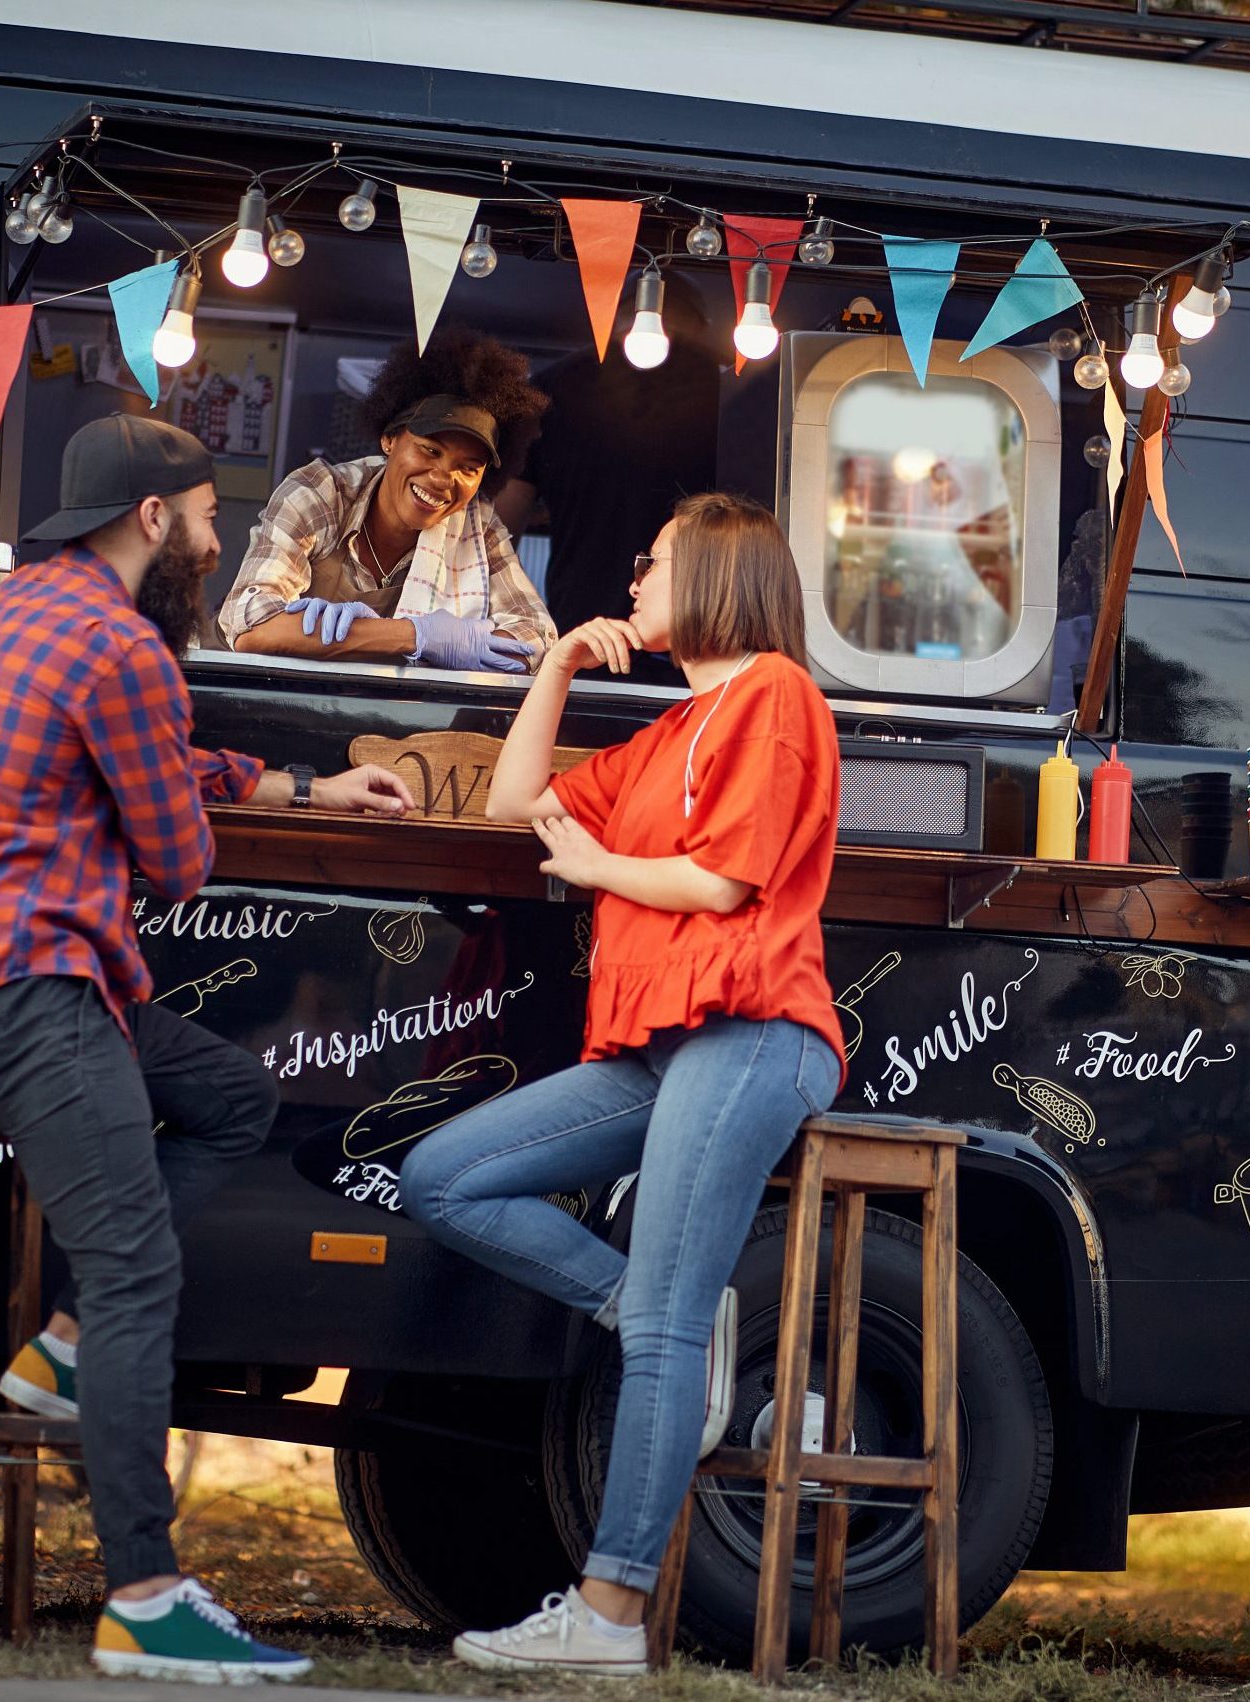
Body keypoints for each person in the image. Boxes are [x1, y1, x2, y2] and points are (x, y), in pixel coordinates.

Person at [0, 414, 412, 1682]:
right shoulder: (125, 648)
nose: (219, 539)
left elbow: (152, 761)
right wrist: (201, 799)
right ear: (153, 517)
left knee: (229, 1092)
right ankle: (142, 1595)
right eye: (210, 514)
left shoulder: (0, 615)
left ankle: (67, 1346)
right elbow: (175, 860)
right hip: (33, 983)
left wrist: (304, 786)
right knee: (136, 1274)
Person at [397, 493, 846, 1676]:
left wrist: (599, 866)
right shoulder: (670, 726)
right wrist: (551, 664)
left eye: (653, 561)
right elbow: (514, 803)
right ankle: (655, 1314)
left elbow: (723, 882)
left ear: (717, 574)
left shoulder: (774, 696)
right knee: (444, 1175)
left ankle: (606, 1615)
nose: (633, 577)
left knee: (661, 1324)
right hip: (660, 1043)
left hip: (751, 1028)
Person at [216, 327, 557, 673]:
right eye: (430, 450)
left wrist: (335, 637)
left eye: (468, 468)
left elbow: (536, 639)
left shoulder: (477, 526)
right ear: (389, 439)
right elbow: (249, 625)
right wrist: (416, 636)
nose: (443, 480)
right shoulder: (321, 493)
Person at [495, 271, 719, 659]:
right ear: (701, 325)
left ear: (613, 315)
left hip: (582, 632)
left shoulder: (549, 389)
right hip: (696, 641)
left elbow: (498, 534)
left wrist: (511, 629)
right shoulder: (730, 392)